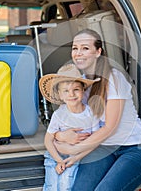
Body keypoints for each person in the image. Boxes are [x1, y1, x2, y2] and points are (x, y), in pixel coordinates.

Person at [53, 29, 141, 191]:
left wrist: (74, 149)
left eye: (85, 48)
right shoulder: (79, 84)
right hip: (103, 149)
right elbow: (62, 121)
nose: (78, 53)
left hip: (134, 148)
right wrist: (61, 135)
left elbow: (110, 127)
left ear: (98, 52)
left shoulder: (114, 78)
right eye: (75, 48)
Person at [39, 63, 101, 191]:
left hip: (75, 157)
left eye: (76, 89)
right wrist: (58, 160)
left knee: (66, 186)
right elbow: (48, 140)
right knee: (51, 187)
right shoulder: (59, 114)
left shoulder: (91, 114)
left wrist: (76, 158)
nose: (71, 94)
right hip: (54, 157)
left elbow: (95, 141)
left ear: (83, 91)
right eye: (66, 91)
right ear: (60, 95)